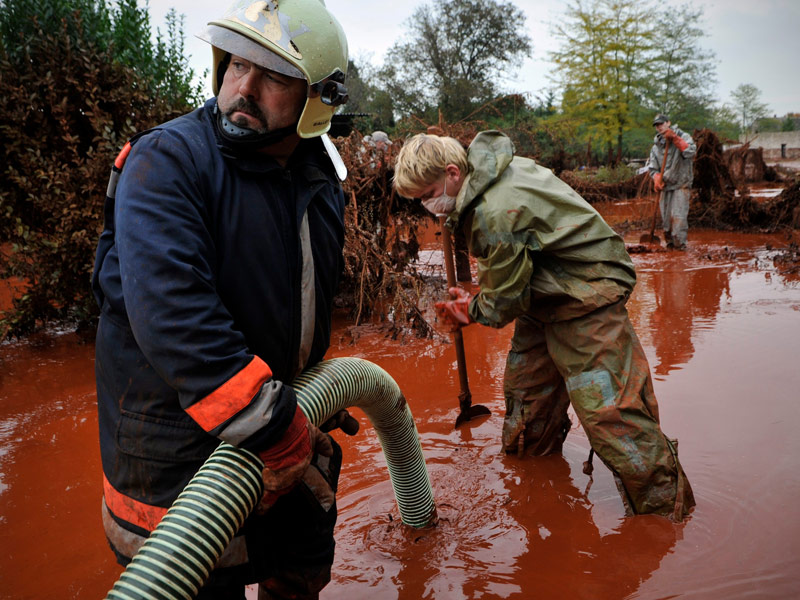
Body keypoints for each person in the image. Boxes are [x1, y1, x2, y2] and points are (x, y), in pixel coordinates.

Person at [91, 1, 356, 597]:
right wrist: (274, 421)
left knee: (302, 572)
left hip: (284, 446)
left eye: (274, 77)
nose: (244, 88)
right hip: (178, 480)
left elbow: (305, 309)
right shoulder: (167, 163)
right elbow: (174, 316)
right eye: (237, 66)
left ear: (317, 100)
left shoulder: (319, 183)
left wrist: (310, 398)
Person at [393, 131, 695, 521]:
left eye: (427, 194)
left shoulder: (495, 211)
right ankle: (536, 489)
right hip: (545, 292)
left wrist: (469, 311)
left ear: (453, 173)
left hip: (587, 297)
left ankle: (668, 519)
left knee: (613, 418)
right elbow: (511, 281)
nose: (426, 206)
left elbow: (504, 302)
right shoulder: (486, 176)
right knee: (528, 402)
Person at [648, 114, 696, 249]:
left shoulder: (683, 136)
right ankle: (670, 247)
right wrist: (656, 178)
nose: (659, 127)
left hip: (681, 184)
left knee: (678, 218)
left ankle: (680, 248)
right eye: (657, 125)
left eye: (661, 124)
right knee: (667, 222)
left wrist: (675, 139)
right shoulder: (656, 147)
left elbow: (691, 152)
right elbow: (652, 168)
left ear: (668, 123)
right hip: (665, 186)